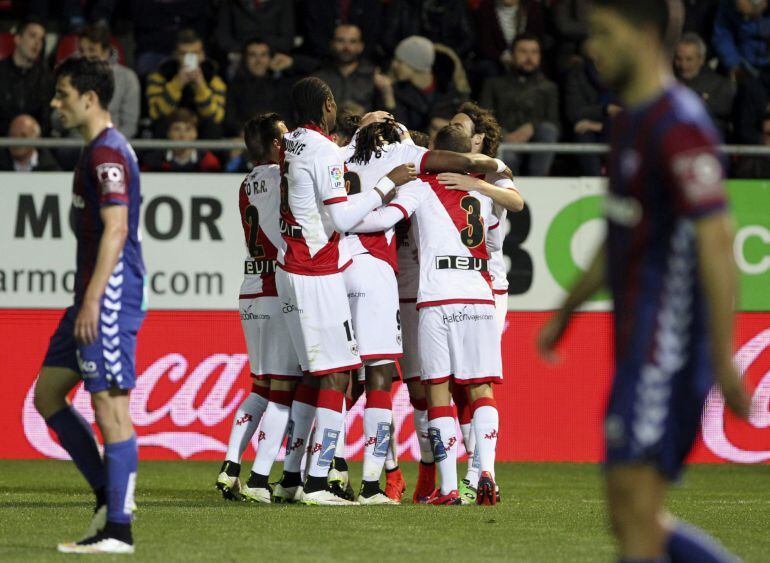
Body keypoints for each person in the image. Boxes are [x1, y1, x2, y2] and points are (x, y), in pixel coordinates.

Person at [538, 1, 750, 560]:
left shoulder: (680, 124)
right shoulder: (630, 120)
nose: (592, 47)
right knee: (629, 512)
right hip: (638, 347)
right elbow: (618, 236)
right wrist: (565, 313)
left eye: (605, 34)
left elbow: (718, 240)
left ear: (648, 34)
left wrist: (725, 358)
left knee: (634, 510)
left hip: (670, 350)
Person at [271, 77, 416, 506]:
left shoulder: (293, 142)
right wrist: (386, 185)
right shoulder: (324, 151)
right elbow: (342, 217)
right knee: (340, 372)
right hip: (315, 269)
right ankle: (319, 482)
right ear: (327, 105)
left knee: (317, 376)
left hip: (291, 267)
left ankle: (290, 479)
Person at [348, 124, 507, 505]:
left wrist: (348, 219)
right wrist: (494, 171)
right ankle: (486, 473)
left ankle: (449, 487)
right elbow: (506, 210)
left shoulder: (421, 186)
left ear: (434, 153)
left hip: (437, 298)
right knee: (480, 389)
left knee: (436, 391)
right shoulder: (480, 189)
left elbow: (383, 220)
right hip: (481, 296)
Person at [33, 56, 146, 554]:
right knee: (48, 395)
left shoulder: (106, 156)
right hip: (89, 295)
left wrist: (94, 300)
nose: (55, 103)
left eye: (62, 94)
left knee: (110, 404)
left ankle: (118, 529)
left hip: (108, 295)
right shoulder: (96, 151)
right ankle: (108, 496)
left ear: (89, 98)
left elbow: (118, 229)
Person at [215, 113, 303, 503]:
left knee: (262, 385)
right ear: (273, 146)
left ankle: (231, 464)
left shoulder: (247, 182)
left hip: (251, 290)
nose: (291, 144)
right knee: (283, 390)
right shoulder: (280, 177)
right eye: (285, 138)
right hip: (275, 290)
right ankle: (260, 479)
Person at [446, 101, 524, 503]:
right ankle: (477, 468)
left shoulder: (495, 170)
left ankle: (479, 472)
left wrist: (480, 183)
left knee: (477, 381)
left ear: (478, 137)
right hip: (450, 286)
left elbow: (516, 203)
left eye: (460, 125)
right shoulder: (443, 168)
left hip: (487, 287)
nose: (451, 128)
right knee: (460, 386)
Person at [480, 33, 560, 176]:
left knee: (549, 130)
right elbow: (485, 119)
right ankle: (509, 190)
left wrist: (532, 127)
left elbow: (555, 122)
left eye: (534, 52)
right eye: (523, 51)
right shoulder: (494, 84)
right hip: (504, 142)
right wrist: (504, 135)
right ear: (511, 55)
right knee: (507, 156)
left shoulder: (549, 87)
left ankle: (539, 183)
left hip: (536, 142)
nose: (529, 57)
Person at [146, 28, 226, 139]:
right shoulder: (159, 77)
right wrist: (177, 83)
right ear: (175, 55)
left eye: (195, 53)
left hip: (200, 132)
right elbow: (156, 114)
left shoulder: (214, 79)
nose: (190, 58)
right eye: (184, 54)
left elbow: (216, 117)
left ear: (202, 54)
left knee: (213, 129)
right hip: (169, 131)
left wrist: (200, 85)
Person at [78, 24, 141, 139]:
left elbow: (130, 127)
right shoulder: (71, 76)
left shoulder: (127, 78)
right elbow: (56, 122)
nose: (86, 56)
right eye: (82, 51)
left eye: (92, 50)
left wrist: (106, 143)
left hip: (111, 144)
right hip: (75, 144)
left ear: (106, 52)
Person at [224, 38, 294, 136]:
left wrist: (291, 63)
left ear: (270, 58)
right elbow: (230, 120)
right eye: (253, 55)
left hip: (276, 139)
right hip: (245, 140)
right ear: (245, 59)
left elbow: (288, 118)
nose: (259, 61)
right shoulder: (234, 87)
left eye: (263, 55)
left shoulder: (281, 85)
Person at [674, 32, 735, 137]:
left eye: (689, 59)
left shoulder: (720, 85)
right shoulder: (667, 83)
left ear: (701, 59)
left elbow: (724, 110)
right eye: (678, 59)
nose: (683, 65)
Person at [314, 25, 385, 113]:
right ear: (332, 44)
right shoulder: (318, 80)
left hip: (366, 125)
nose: (346, 47)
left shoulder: (374, 77)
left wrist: (365, 115)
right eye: (340, 41)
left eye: (353, 41)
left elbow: (389, 118)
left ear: (361, 46)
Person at [0, 17, 53, 135]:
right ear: (18, 39)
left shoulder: (45, 76)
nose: (37, 43)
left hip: (35, 143)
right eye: (32, 36)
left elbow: (46, 118)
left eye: (41, 39)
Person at [142, 109, 221, 172]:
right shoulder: (154, 161)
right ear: (168, 133)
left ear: (195, 133)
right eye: (177, 129)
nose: (182, 135)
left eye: (188, 129)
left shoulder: (209, 162)